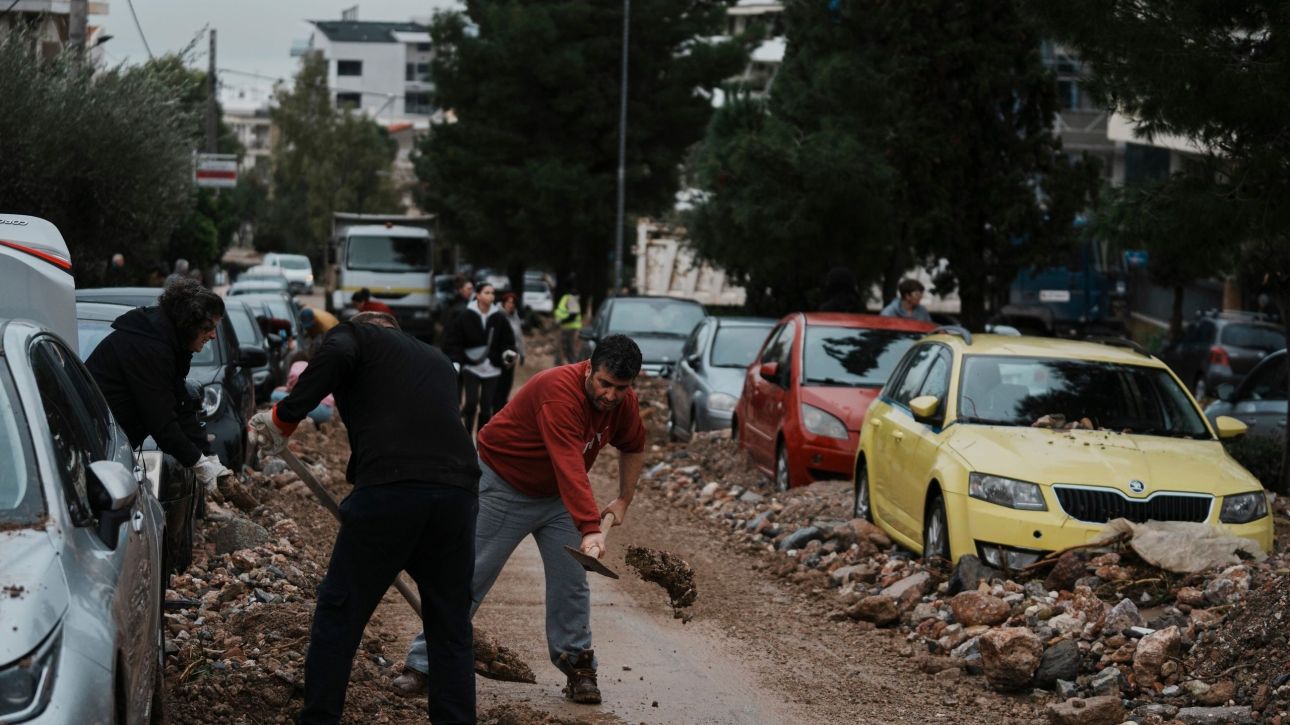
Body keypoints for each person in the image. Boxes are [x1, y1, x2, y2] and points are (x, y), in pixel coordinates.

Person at [249, 312, 481, 724]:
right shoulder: (436, 359)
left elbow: (337, 350)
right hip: (456, 493)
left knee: (340, 612)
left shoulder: (357, 335)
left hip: (391, 491)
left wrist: (284, 418)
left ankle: (320, 719)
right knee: (450, 624)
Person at [393, 334, 645, 706]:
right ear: (589, 369)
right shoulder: (557, 392)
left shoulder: (624, 403)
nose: (610, 395)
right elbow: (569, 463)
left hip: (557, 496)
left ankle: (578, 667)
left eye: (620, 388)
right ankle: (423, 664)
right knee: (469, 574)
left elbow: (634, 445)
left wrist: (624, 498)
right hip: (503, 483)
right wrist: (591, 529)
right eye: (604, 384)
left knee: (571, 584)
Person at [85, 278, 229, 491]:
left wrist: (208, 455)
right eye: (208, 327)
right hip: (94, 443)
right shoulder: (150, 349)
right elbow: (161, 421)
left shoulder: (168, 343)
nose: (213, 335)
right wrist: (199, 464)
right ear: (189, 323)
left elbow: (181, 405)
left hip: (108, 442)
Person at [442, 283, 517, 436]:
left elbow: (507, 341)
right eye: (487, 292)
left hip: (493, 368)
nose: (491, 296)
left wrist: (508, 353)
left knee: (486, 407)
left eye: (492, 293)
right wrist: (456, 360)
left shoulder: (499, 318)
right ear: (478, 295)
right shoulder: (465, 316)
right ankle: (467, 437)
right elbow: (454, 340)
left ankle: (481, 439)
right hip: (471, 366)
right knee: (470, 404)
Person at [270, 360, 335, 425]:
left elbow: (294, 389)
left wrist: (284, 389)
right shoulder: (308, 366)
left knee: (275, 395)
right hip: (327, 410)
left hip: (320, 409)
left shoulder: (296, 368)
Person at [495, 292, 525, 408]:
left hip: (512, 355)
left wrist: (522, 353)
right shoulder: (497, 315)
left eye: (513, 303)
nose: (511, 305)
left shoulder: (515, 316)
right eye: (508, 302)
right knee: (498, 384)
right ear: (503, 303)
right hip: (499, 355)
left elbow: (519, 337)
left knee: (507, 383)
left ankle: (502, 404)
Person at [554, 284, 582, 364]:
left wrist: (561, 321)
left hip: (570, 328)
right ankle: (562, 363)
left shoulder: (569, 299)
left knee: (569, 347)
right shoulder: (568, 299)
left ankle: (573, 364)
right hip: (567, 328)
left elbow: (573, 316)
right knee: (565, 347)